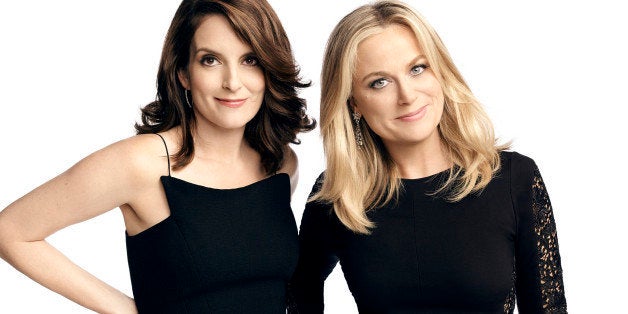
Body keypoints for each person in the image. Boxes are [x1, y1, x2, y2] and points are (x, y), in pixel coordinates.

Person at [0, 0, 315, 312]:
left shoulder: (281, 163)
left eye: (250, 60)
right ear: (183, 73)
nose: (232, 83)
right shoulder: (141, 163)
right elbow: (10, 232)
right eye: (210, 60)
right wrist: (126, 310)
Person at [289, 1, 567, 313]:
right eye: (379, 82)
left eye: (417, 68)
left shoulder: (514, 178)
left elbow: (549, 308)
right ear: (353, 103)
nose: (407, 96)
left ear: (439, 71)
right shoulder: (339, 196)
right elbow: (299, 292)